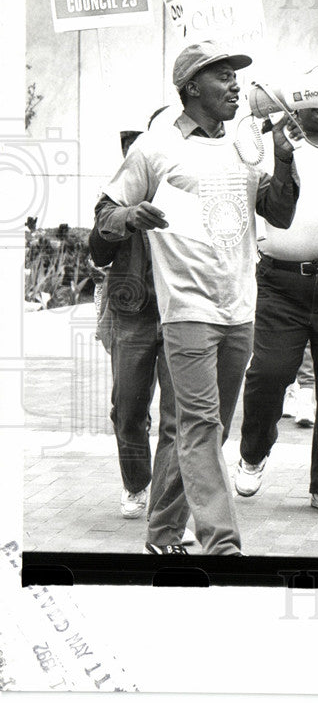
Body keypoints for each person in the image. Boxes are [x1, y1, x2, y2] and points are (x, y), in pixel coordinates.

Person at [99, 40, 299, 555]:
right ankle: (222, 543)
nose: (236, 85)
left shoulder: (244, 144)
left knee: (198, 431)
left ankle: (163, 535)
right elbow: (103, 218)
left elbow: (278, 214)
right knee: (200, 425)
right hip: (186, 311)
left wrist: (285, 153)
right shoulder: (154, 146)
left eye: (237, 77)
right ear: (191, 88)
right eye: (224, 77)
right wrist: (129, 217)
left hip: (240, 309)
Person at [233, 105, 318, 516]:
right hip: (281, 284)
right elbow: (264, 206)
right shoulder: (270, 144)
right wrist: (281, 153)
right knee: (268, 373)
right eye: (312, 100)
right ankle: (253, 453)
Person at [90, 119, 172, 522]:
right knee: (127, 409)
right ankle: (137, 482)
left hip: (184, 313)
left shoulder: (192, 187)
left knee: (183, 414)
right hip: (134, 314)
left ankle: (173, 491)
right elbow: (98, 253)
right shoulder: (117, 202)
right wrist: (125, 218)